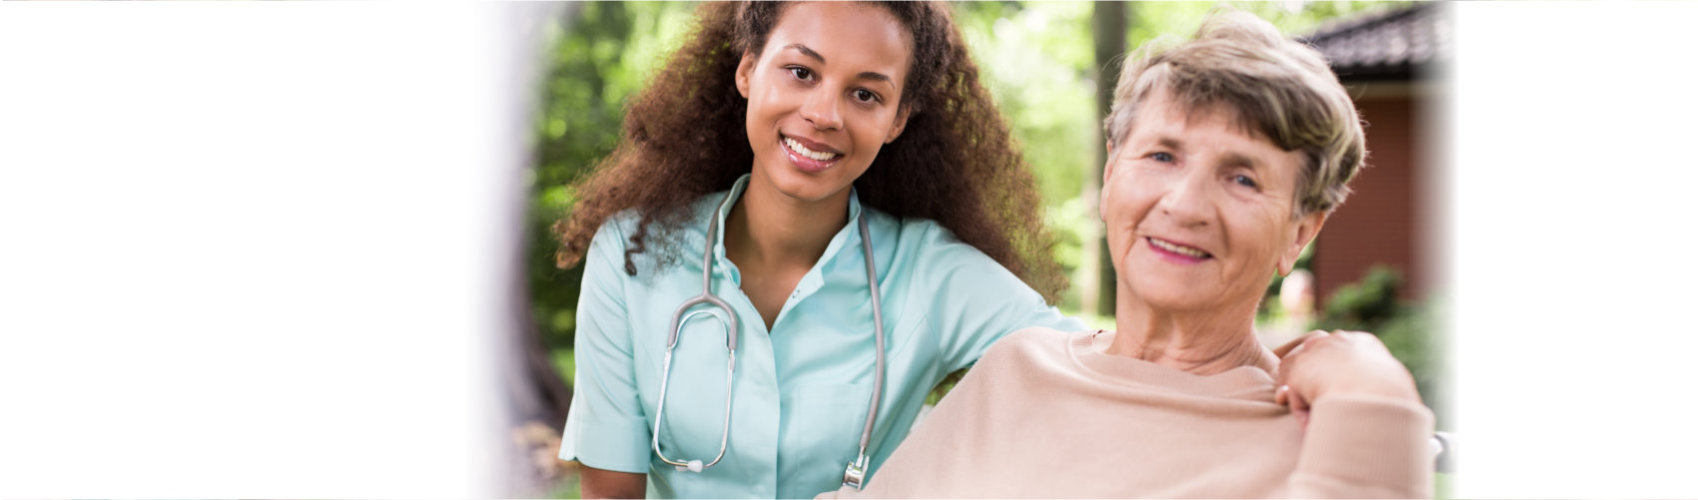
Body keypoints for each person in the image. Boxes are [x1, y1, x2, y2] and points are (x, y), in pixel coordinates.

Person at [821, 9, 1434, 498]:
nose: (1185, 204)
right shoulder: (1018, 370)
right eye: (1163, 156)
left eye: (1242, 178)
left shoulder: (1314, 429)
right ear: (1112, 173)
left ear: (1301, 232)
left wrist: (1374, 389)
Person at [549, 2, 1083, 498]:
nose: (825, 113)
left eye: (866, 94)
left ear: (897, 119)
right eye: (801, 72)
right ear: (748, 69)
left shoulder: (933, 274)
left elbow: (1107, 372)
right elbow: (611, 492)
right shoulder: (631, 254)